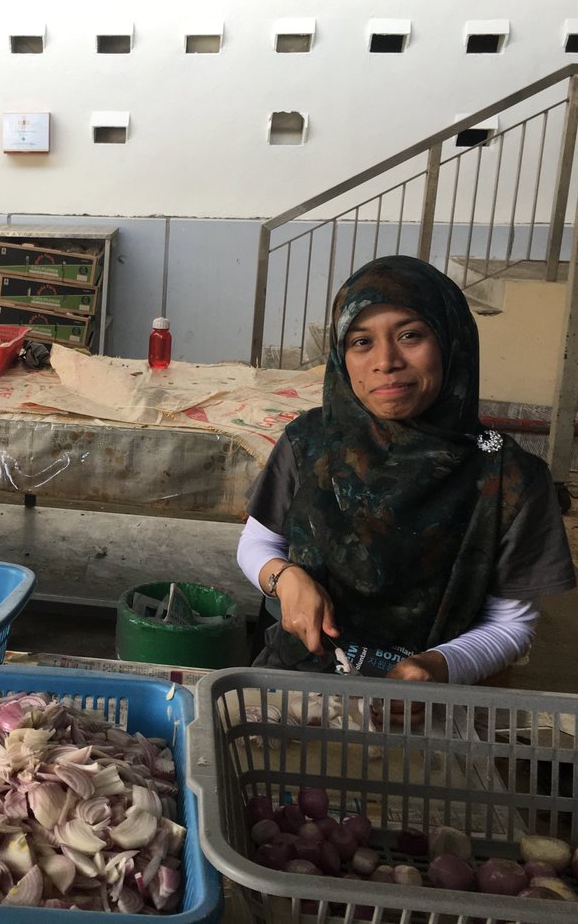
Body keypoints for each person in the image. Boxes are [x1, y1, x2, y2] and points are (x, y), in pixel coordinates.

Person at [237, 255, 574, 685]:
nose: (386, 361)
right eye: (361, 342)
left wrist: (437, 666)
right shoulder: (311, 442)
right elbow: (258, 542)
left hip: (438, 697)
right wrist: (285, 578)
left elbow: (511, 623)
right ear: (343, 358)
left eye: (410, 335)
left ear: (452, 341)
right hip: (299, 678)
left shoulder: (510, 478)